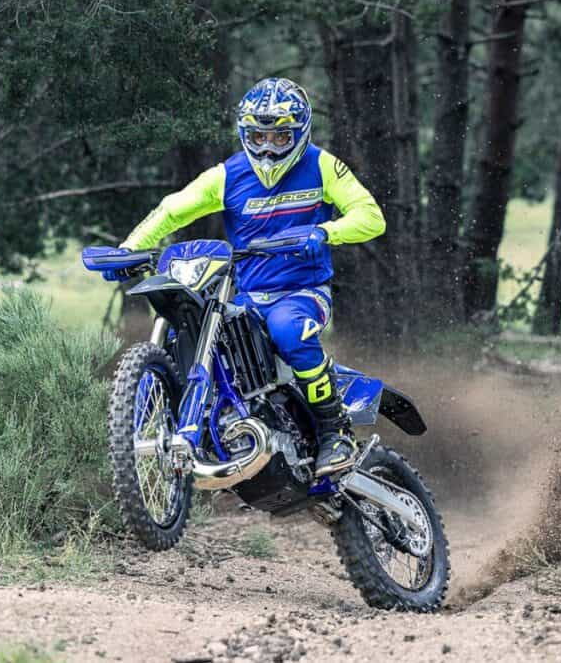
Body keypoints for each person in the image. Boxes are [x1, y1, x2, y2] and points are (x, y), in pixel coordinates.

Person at [120, 78, 386, 477]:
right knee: (201, 333)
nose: (267, 147)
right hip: (247, 294)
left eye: (280, 137)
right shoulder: (228, 175)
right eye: (258, 136)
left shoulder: (322, 165)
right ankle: (213, 429)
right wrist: (130, 248)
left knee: (288, 332)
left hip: (303, 292)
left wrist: (326, 232)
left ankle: (335, 432)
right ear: (244, 134)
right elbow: (173, 210)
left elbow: (371, 217)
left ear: (299, 133)